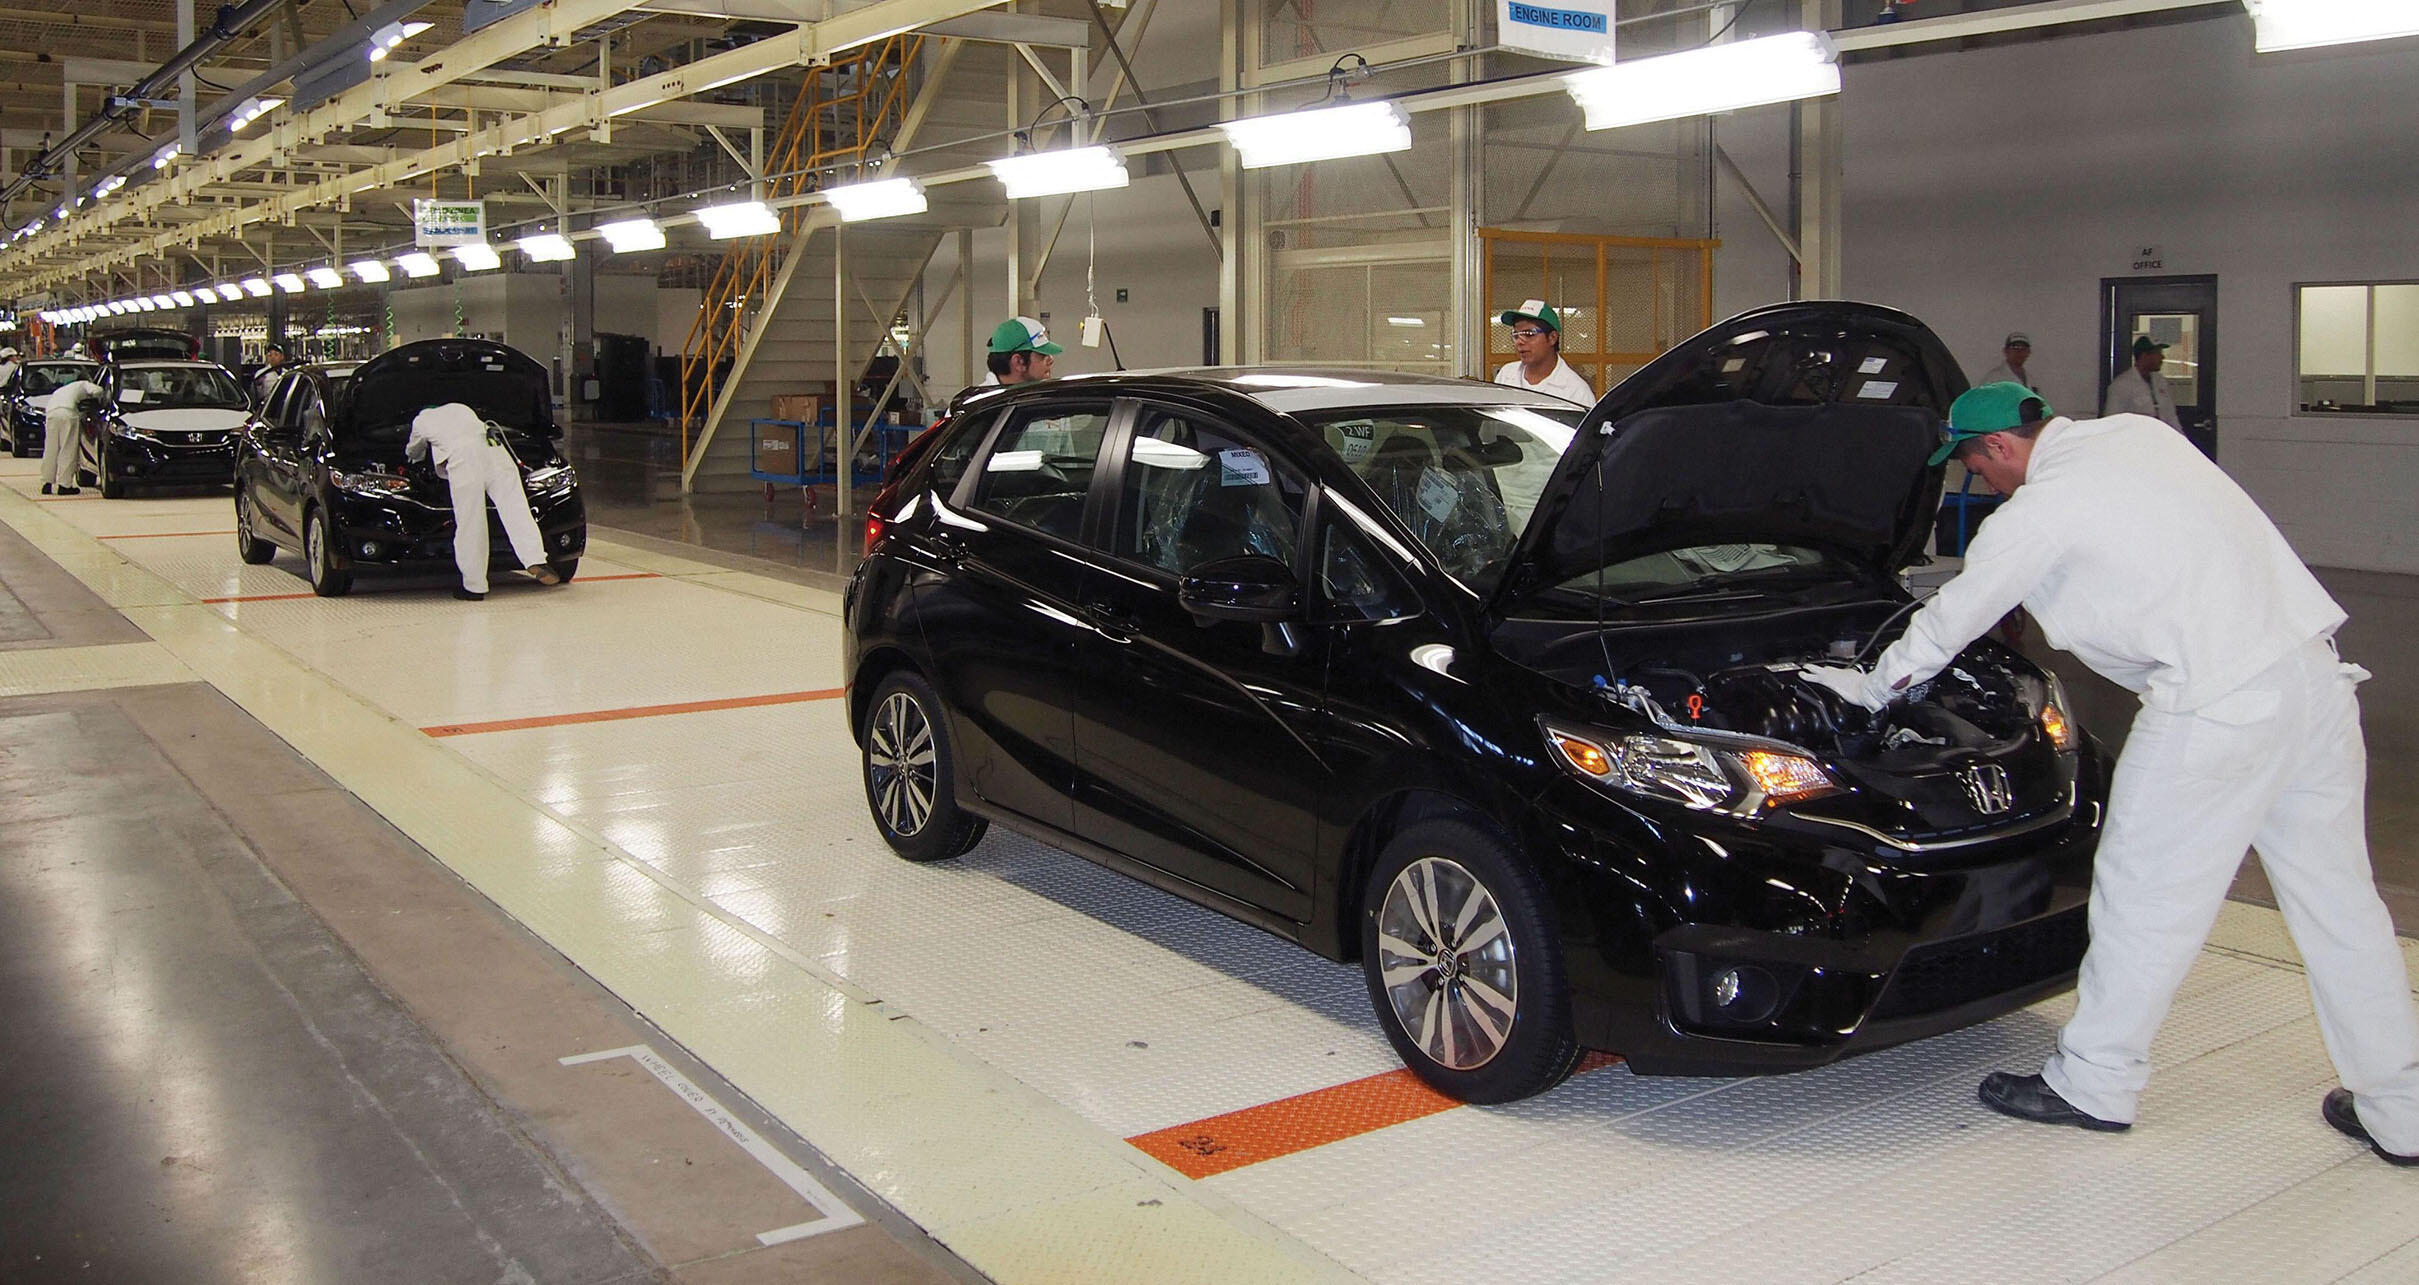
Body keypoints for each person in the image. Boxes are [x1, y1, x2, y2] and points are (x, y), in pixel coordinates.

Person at [1794, 382, 2419, 1167]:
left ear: (1997, 446)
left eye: (1976, 467)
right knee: (2341, 906)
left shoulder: (2038, 511)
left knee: (2141, 895)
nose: (1981, 482)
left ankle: (2093, 1083)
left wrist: (1869, 689)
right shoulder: (2138, 437)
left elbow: (1953, 615)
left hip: (2212, 705)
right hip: (2312, 684)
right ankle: (2400, 1110)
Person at [405, 402, 561, 601]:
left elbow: (414, 449)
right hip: (495, 451)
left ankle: (474, 586)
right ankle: (536, 558)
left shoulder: (422, 420)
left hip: (465, 460)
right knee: (516, 509)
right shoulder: (461, 408)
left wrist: (412, 459)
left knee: (471, 522)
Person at [1492, 300, 1595, 406]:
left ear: (1552, 338)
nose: (1519, 341)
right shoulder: (1506, 375)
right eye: (1516, 334)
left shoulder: (1576, 392)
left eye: (1529, 334)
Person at [40, 372, 104, 496]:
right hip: (67, 413)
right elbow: (98, 391)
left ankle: (46, 484)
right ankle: (64, 485)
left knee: (51, 449)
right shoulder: (83, 384)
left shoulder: (61, 390)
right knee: (68, 449)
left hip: (51, 413)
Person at [2103, 335, 2182, 431]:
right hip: (2137, 441)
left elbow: (2171, 416)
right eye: (2157, 353)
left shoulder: (2160, 381)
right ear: (2144, 356)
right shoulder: (2121, 385)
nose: (2162, 357)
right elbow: (2111, 422)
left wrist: (2182, 440)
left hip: (2161, 439)